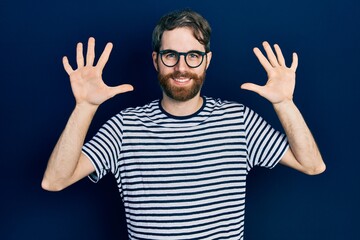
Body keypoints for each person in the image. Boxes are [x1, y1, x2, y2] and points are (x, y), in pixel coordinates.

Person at [42, 9, 325, 240]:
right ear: (156, 60)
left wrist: (284, 103)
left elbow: (312, 165)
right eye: (170, 55)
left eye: (193, 55)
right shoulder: (125, 126)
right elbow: (55, 180)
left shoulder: (239, 121)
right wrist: (85, 107)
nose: (181, 67)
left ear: (207, 61)